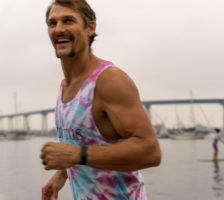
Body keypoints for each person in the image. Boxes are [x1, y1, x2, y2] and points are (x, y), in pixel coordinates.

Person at [40, 0, 161, 199]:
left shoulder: (109, 80)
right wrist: (61, 175)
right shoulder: (65, 85)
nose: (59, 29)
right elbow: (85, 141)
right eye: (53, 23)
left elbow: (150, 152)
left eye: (68, 21)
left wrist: (76, 155)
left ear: (90, 28)